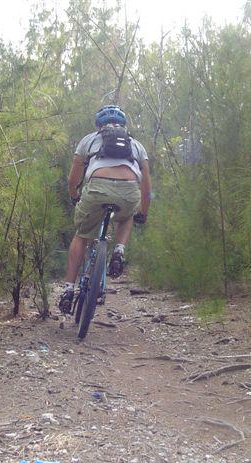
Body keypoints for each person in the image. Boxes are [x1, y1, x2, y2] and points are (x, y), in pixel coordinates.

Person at [58, 105, 152, 314]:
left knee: (81, 236)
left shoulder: (89, 140)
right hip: (129, 192)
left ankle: (68, 290)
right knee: (127, 216)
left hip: (97, 190)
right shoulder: (136, 145)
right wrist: (142, 213)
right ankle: (119, 251)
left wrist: (75, 195)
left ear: (98, 125)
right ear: (123, 125)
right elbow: (146, 188)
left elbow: (73, 179)